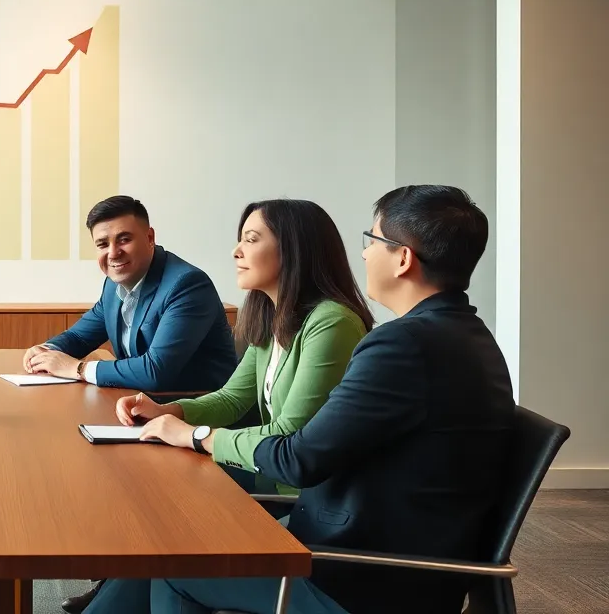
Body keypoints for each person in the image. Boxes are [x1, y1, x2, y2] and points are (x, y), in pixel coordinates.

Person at [85, 185, 514, 614]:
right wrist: (173, 415)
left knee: (174, 565)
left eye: (373, 241)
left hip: (362, 573)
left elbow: (297, 456)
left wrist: (196, 435)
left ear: (402, 259)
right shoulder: (461, 336)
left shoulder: (401, 346)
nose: (364, 254)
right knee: (170, 543)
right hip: (364, 536)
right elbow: (249, 406)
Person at [70, 199, 372, 614]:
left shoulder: (331, 322)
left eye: (251, 239)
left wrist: (195, 436)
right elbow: (232, 398)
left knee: (170, 550)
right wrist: (169, 413)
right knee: (163, 534)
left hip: (305, 501)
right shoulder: (272, 314)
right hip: (269, 475)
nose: (236, 252)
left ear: (294, 249)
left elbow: (288, 437)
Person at [25, 195, 237, 393]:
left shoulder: (186, 285)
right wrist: (47, 350)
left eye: (124, 239)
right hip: (139, 403)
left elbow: (156, 371)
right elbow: (79, 337)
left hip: (193, 408)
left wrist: (78, 369)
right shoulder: (113, 285)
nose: (113, 252)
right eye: (102, 244)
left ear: (150, 237)